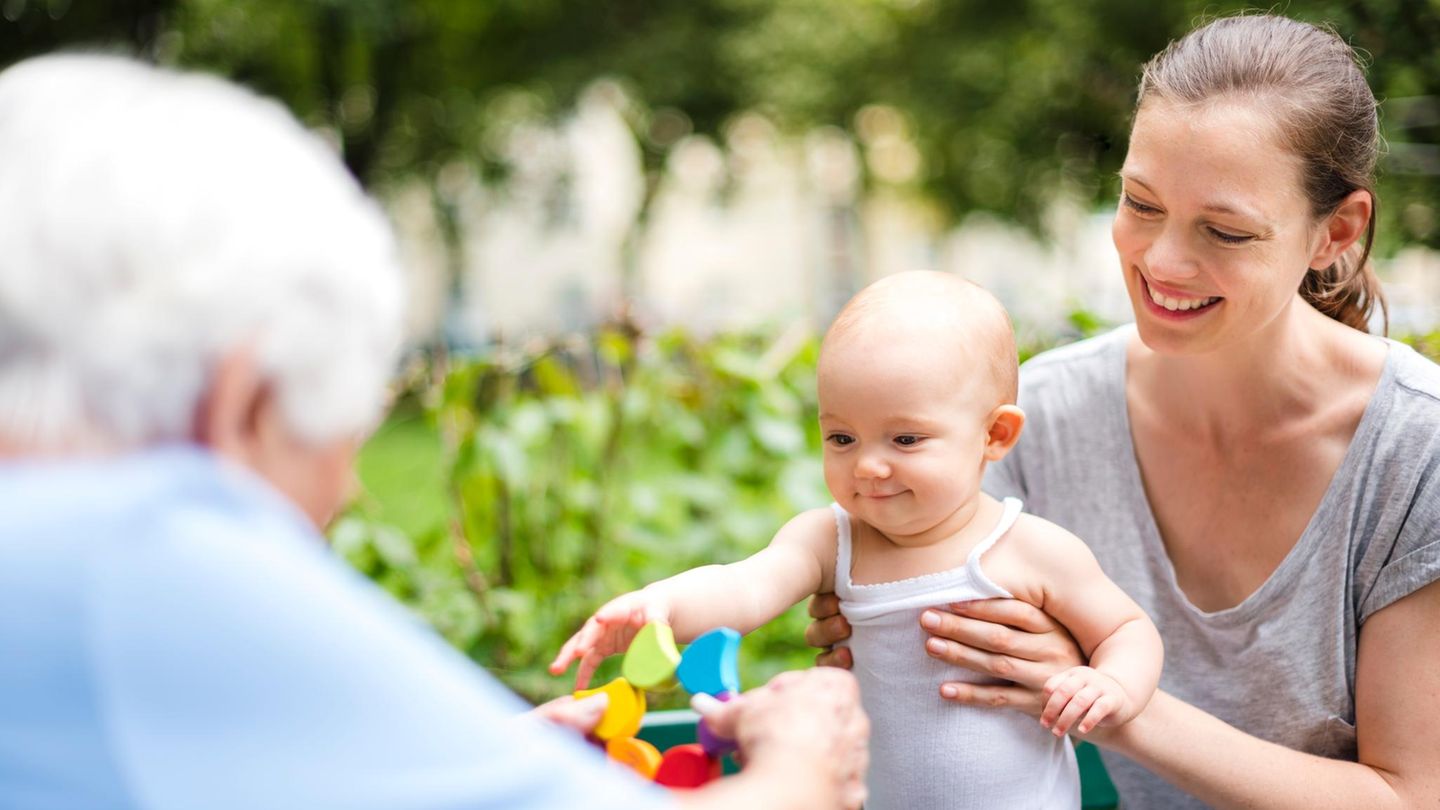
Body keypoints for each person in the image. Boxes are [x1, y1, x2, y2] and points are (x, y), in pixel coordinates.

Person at [0, 54, 870, 810]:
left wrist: (488, 764)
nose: (342, 498)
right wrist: (803, 761)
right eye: (340, 442)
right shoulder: (135, 550)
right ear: (244, 402)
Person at [806, 14, 1440, 808]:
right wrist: (877, 622)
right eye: (1141, 204)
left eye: (1226, 230)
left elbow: (1410, 796)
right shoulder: (1039, 413)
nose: (1163, 262)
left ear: (1335, 232)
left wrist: (1111, 700)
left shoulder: (1417, 450)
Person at [551, 271, 1164, 809]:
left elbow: (1125, 631)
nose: (867, 466)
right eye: (842, 438)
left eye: (904, 440)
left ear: (995, 435)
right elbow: (745, 586)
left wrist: (1110, 684)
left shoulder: (1028, 549)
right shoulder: (832, 539)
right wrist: (659, 607)